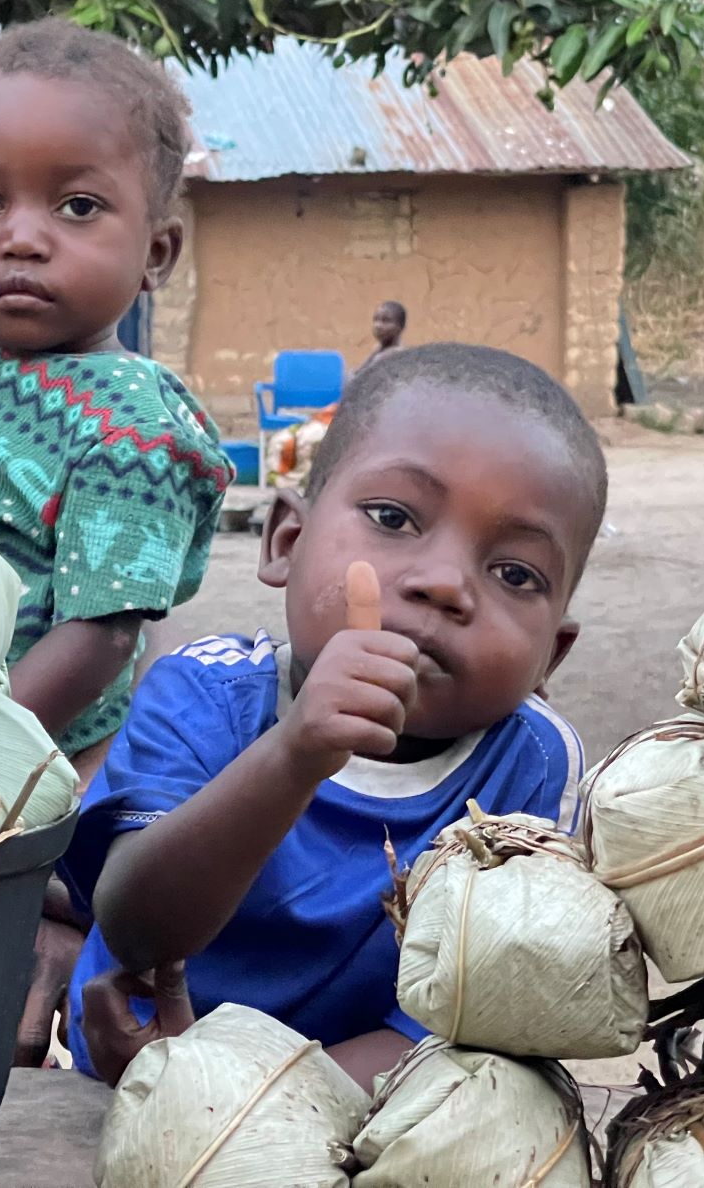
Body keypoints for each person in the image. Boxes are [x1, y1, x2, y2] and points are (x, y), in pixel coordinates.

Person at [61, 343, 601, 1087]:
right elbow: (136, 929)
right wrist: (295, 755)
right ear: (287, 540)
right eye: (394, 517)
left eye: (515, 573)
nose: (444, 583)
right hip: (145, 1071)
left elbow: (475, 1021)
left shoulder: (536, 766)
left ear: (552, 656)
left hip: (362, 1102)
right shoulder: (201, 693)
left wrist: (269, 1106)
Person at [0, 20, 231, 773]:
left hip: (23, 770)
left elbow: (102, 635)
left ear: (156, 253)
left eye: (77, 208)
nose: (22, 238)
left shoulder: (134, 433)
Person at [359, 299, 406, 375]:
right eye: (375, 319)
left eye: (386, 320)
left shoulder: (395, 354)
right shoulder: (379, 350)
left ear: (400, 326)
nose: (378, 325)